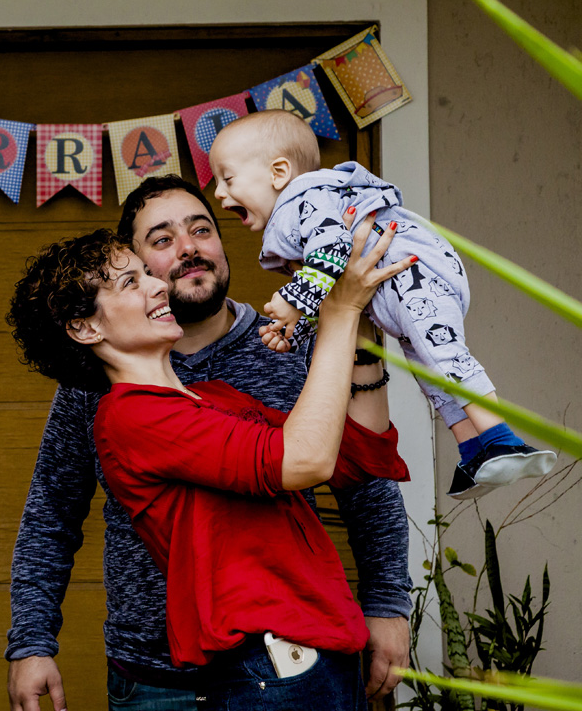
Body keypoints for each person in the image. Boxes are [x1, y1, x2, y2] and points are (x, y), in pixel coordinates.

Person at [6, 175, 414, 711]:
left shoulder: (234, 382)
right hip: (173, 666)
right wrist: (31, 639)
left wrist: (358, 332)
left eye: (202, 229)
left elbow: (362, 463)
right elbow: (50, 514)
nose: (188, 249)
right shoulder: (117, 407)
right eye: (159, 243)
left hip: (306, 651)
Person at [208, 109, 555, 500]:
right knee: (432, 375)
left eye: (228, 179)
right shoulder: (295, 214)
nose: (219, 192)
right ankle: (472, 451)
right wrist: (297, 324)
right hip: (393, 290)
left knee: (446, 358)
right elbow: (330, 285)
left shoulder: (301, 201)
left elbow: (334, 249)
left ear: (278, 172)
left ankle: (503, 439)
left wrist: (292, 300)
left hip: (414, 274)